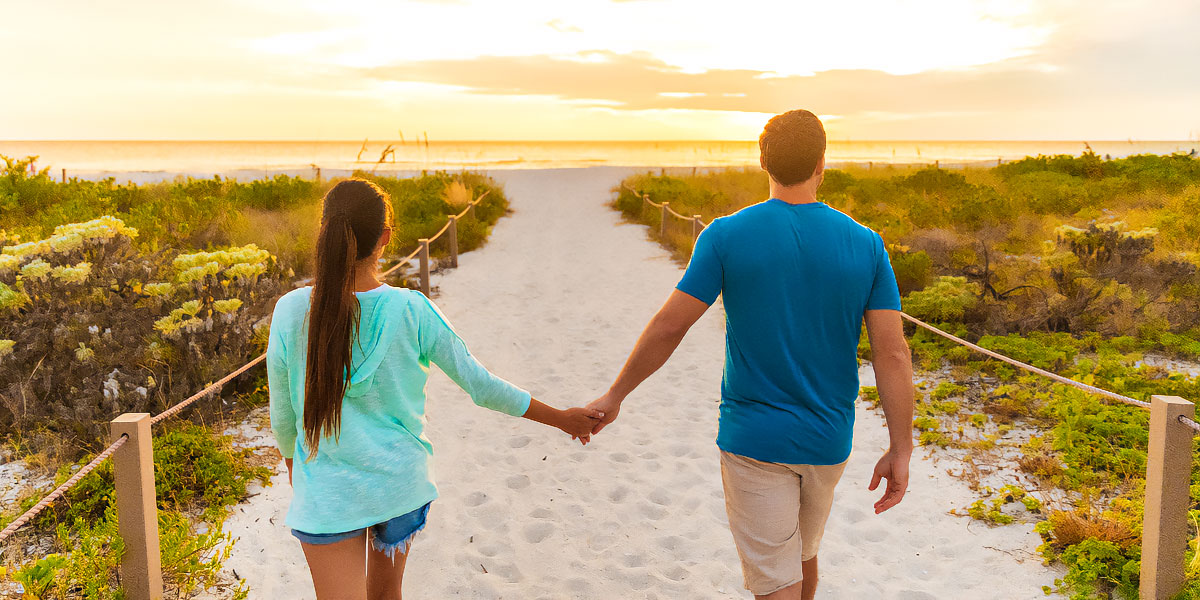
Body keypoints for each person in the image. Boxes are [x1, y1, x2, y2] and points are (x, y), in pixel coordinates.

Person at [584, 110, 915, 600]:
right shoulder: (866, 244)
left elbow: (670, 326)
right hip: (828, 439)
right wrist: (900, 448)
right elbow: (892, 354)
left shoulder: (725, 235)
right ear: (823, 162)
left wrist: (616, 394)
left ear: (763, 161)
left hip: (754, 439)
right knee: (801, 556)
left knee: (777, 579)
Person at [267, 179, 601, 600]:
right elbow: (481, 386)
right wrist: (562, 418)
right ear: (384, 238)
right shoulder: (412, 309)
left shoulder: (292, 310)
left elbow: (282, 418)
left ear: (325, 231)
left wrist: (304, 479)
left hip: (327, 491)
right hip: (398, 482)